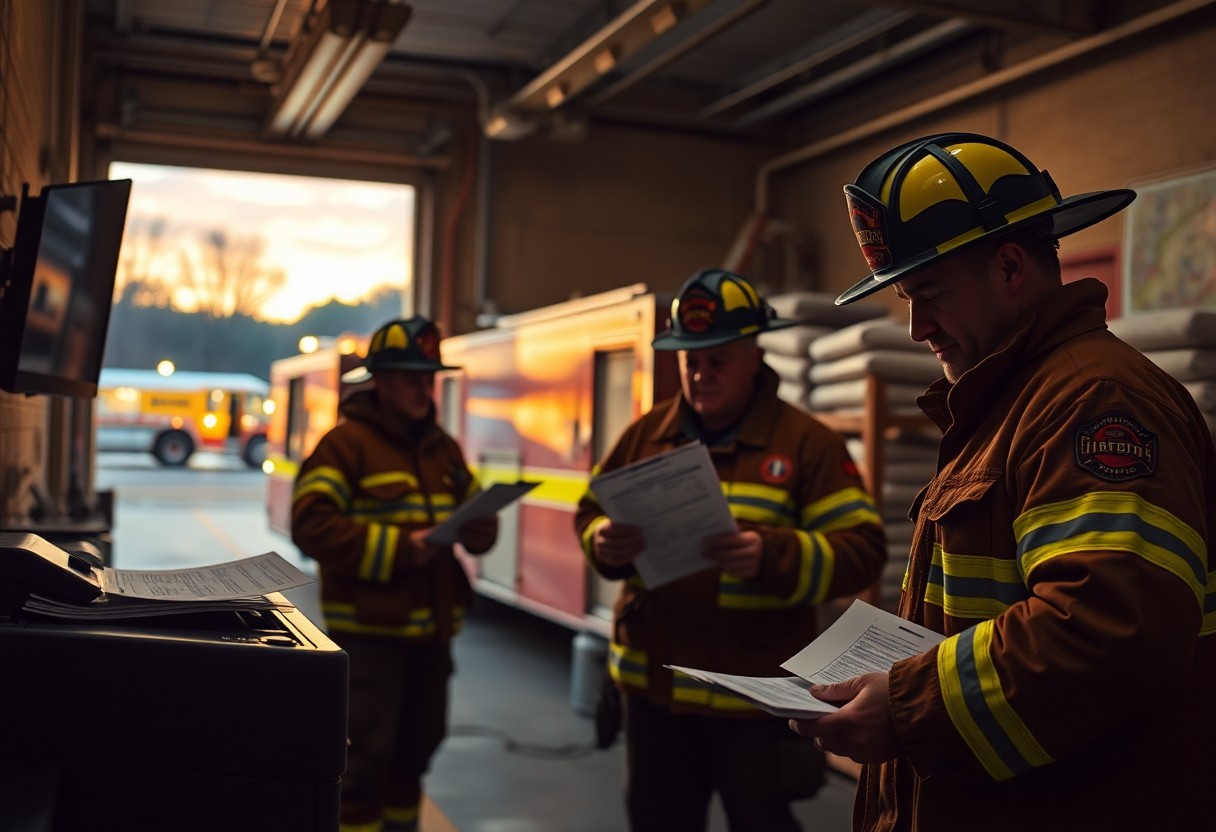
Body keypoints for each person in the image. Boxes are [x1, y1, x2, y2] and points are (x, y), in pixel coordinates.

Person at [790, 132, 1216, 831]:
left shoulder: (1092, 401)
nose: (916, 327)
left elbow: (1109, 628)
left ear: (1011, 267)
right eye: (905, 299)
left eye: (929, 295)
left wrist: (910, 706)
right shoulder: (1013, 400)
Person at [576, 269, 887, 832]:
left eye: (717, 360)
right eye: (689, 361)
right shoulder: (644, 437)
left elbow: (862, 552)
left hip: (757, 703)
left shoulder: (807, 444)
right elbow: (588, 512)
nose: (700, 375)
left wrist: (772, 556)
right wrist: (601, 539)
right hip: (653, 692)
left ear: (753, 355)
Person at [291, 316, 498, 832]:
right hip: (370, 640)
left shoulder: (442, 447)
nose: (424, 390)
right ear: (380, 380)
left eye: (429, 379)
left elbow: (472, 509)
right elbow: (310, 525)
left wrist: (481, 529)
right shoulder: (344, 446)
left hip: (432, 636)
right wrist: (401, 549)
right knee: (363, 765)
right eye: (411, 379)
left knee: (414, 757)